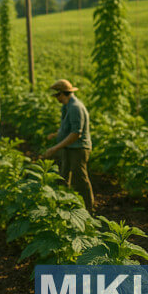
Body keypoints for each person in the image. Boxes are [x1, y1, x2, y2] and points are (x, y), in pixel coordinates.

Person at [39, 79, 95, 212]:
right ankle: (64, 205)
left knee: (80, 179)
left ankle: (89, 209)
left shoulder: (76, 108)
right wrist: (55, 134)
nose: (56, 98)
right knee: (63, 176)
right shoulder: (67, 106)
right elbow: (67, 128)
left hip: (79, 148)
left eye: (57, 95)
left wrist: (55, 148)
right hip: (69, 147)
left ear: (62, 94)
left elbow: (76, 133)